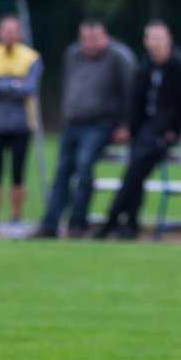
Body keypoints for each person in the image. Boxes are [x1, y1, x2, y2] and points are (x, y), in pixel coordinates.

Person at [95, 20, 181, 241]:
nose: (155, 43)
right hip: (142, 130)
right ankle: (130, 226)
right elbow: (135, 100)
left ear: (168, 40)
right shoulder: (146, 66)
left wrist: (175, 129)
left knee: (133, 176)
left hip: (161, 133)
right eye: (151, 38)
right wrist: (129, 126)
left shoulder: (180, 67)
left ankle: (110, 222)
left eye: (159, 38)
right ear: (145, 41)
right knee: (136, 178)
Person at [37, 19, 135, 239]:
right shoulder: (73, 54)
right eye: (85, 39)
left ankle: (77, 224)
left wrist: (124, 124)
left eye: (95, 38)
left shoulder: (119, 57)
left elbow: (130, 94)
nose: (90, 44)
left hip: (100, 124)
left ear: (105, 36)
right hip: (72, 123)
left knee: (84, 169)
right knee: (62, 173)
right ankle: (50, 224)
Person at [0, 13, 41, 237]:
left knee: (18, 174)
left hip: (22, 125)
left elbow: (29, 88)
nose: (10, 34)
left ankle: (16, 219)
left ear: (20, 33)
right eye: (6, 29)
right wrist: (14, 83)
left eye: (14, 30)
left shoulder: (31, 57)